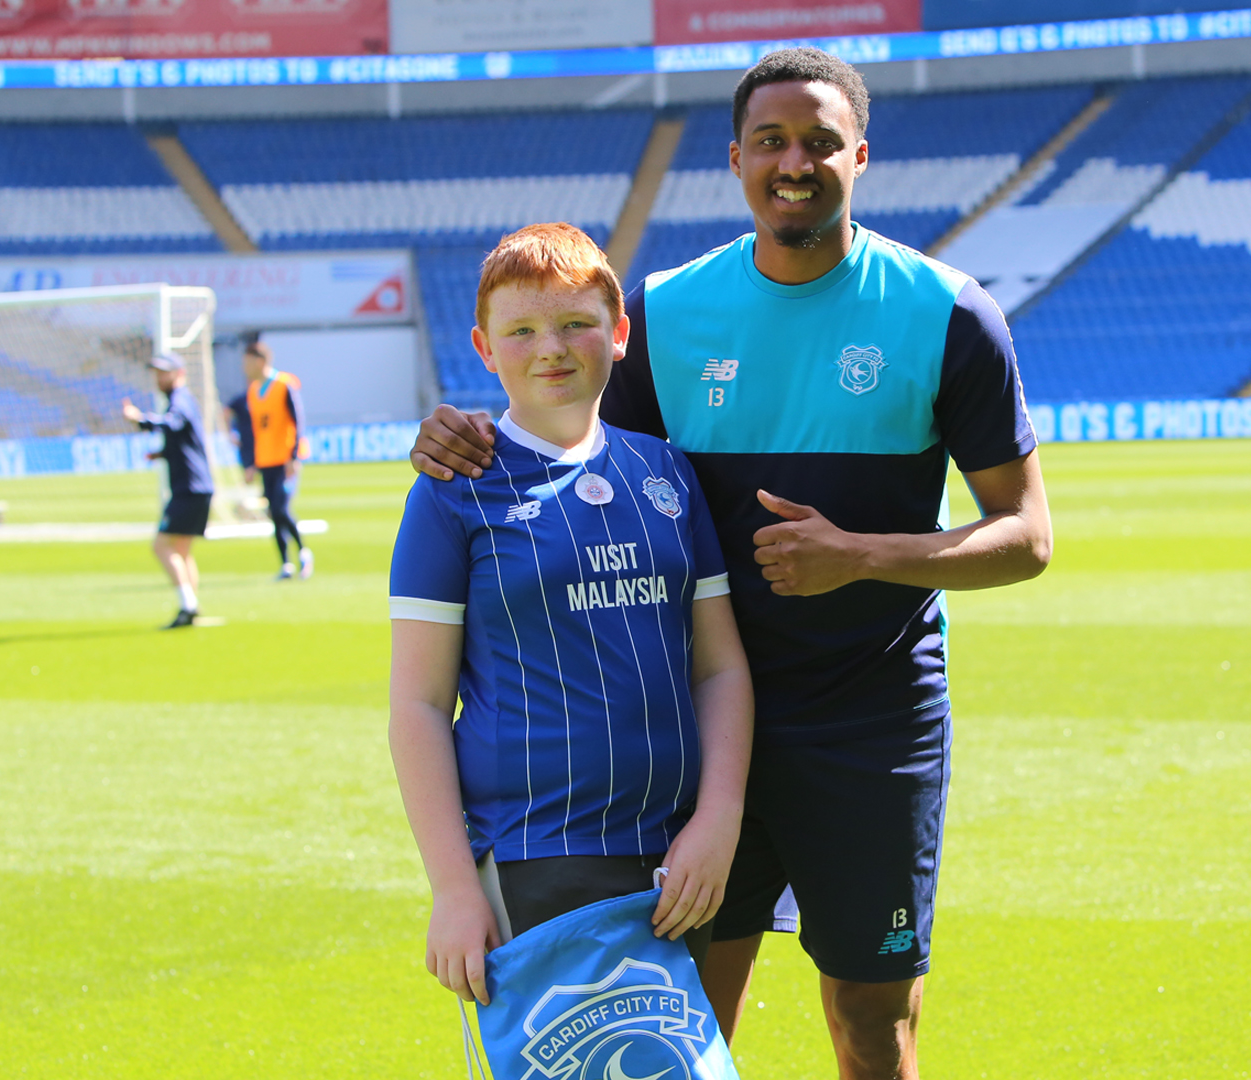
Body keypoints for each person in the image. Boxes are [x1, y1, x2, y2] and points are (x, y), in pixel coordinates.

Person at [410, 49, 1053, 1080]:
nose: (794, 162)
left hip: (871, 722)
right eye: (771, 141)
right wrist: (466, 435)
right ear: (737, 159)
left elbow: (1025, 536)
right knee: (683, 1018)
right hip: (692, 738)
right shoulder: (670, 311)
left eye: (820, 141)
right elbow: (577, 444)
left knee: (873, 1022)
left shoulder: (946, 313)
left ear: (860, 155)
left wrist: (861, 557)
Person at [388, 222, 755, 1006]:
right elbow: (418, 704)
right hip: (537, 855)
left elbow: (719, 668)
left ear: (619, 335)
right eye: (521, 331)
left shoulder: (665, 472)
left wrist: (720, 817)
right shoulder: (452, 492)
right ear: (485, 349)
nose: (550, 349)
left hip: (678, 855)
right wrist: (453, 888)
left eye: (576, 324)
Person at [122, 355, 214, 630]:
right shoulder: (182, 400)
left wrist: (141, 419)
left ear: (179, 373)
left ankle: (188, 605)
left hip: (189, 488)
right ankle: (192, 606)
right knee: (182, 550)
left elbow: (172, 423)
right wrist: (163, 453)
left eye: (164, 373)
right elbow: (183, 439)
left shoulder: (180, 400)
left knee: (161, 545)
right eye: (157, 373)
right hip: (197, 485)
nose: (159, 378)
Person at [242, 341, 313, 580]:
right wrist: (251, 463)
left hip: (284, 460)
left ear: (260, 361)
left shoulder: (284, 384)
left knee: (281, 508)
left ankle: (303, 552)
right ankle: (286, 564)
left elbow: (297, 419)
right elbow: (254, 430)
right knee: (273, 511)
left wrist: (293, 456)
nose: (244, 367)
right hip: (266, 459)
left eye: (247, 361)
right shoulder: (253, 390)